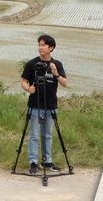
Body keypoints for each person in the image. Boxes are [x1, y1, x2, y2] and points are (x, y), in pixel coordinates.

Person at [20, 33, 68, 175]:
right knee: (34, 134)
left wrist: (56, 73)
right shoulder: (32, 64)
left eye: (43, 45)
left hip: (51, 105)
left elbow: (65, 83)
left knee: (47, 134)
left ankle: (47, 161)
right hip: (35, 105)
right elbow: (23, 81)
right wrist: (28, 88)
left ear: (51, 48)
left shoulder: (57, 64)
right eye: (39, 45)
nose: (40, 47)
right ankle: (33, 162)